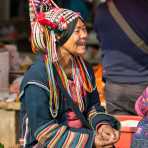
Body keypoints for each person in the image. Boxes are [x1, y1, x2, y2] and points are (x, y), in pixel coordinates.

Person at [19, 0, 120, 147]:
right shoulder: (37, 78)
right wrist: (92, 141)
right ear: (58, 36)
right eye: (77, 31)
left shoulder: (84, 69)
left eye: (84, 29)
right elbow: (45, 132)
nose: (84, 35)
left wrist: (102, 125)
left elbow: (93, 107)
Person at [94, 0, 148, 115]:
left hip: (113, 86)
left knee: (120, 129)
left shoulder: (102, 10)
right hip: (143, 85)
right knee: (144, 130)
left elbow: (101, 39)